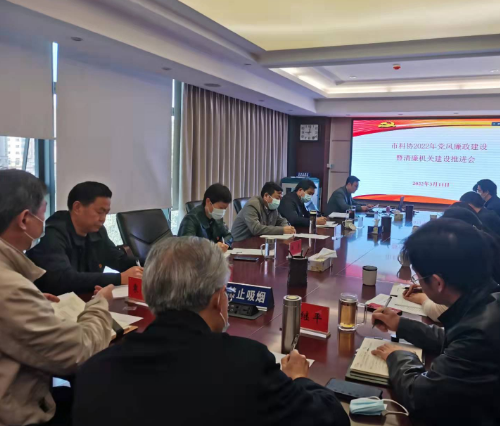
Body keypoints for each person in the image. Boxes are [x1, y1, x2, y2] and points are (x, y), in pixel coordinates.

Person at [73, 237, 349, 426]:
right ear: (218, 299)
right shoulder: (247, 365)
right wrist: (298, 379)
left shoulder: (96, 370)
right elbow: (331, 419)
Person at [372, 219, 500, 425]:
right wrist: (401, 325)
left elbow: (420, 398)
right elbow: (455, 339)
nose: (418, 283)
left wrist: (397, 356)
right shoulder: (494, 296)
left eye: (418, 278)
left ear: (437, 283)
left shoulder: (482, 331)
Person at [0, 170, 113, 426]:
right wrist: (100, 305)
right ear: (24, 219)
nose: (44, 220)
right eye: (42, 212)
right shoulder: (11, 288)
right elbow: (78, 352)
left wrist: (32, 298)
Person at [403, 208, 500, 321]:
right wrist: (428, 286)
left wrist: (422, 298)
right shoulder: (483, 245)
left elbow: (448, 312)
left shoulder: (477, 258)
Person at [27, 181, 143, 295]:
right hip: (54, 302)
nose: (103, 219)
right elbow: (64, 279)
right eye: (99, 212)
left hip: (87, 299)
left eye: (106, 213)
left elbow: (119, 260)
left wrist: (147, 266)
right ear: (77, 207)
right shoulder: (52, 234)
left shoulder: (97, 232)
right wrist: (120, 278)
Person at [231, 181, 296, 242]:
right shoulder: (252, 205)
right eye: (277, 198)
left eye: (280, 198)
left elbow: (281, 220)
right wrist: (282, 230)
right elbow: (256, 229)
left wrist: (287, 228)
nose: (278, 201)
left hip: (258, 240)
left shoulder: (271, 206)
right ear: (266, 196)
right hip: (241, 242)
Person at [178, 183, 233, 253]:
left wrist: (223, 244)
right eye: (221, 208)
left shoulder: (217, 218)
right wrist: (212, 247)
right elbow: (186, 247)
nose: (222, 211)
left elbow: (228, 236)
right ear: (208, 202)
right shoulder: (191, 219)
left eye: (225, 208)